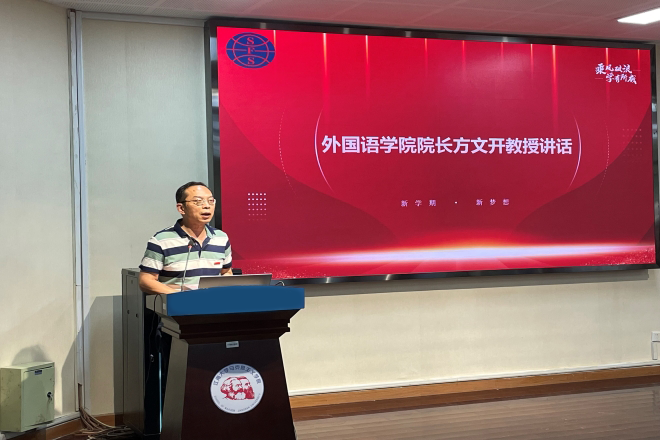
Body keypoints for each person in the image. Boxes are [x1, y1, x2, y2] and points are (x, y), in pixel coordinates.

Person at [139, 181, 232, 294]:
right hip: (178, 303)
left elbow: (226, 272)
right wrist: (180, 298)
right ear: (181, 208)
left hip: (212, 302)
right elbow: (146, 280)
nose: (207, 206)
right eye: (198, 201)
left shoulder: (221, 238)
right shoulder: (161, 240)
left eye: (211, 201)